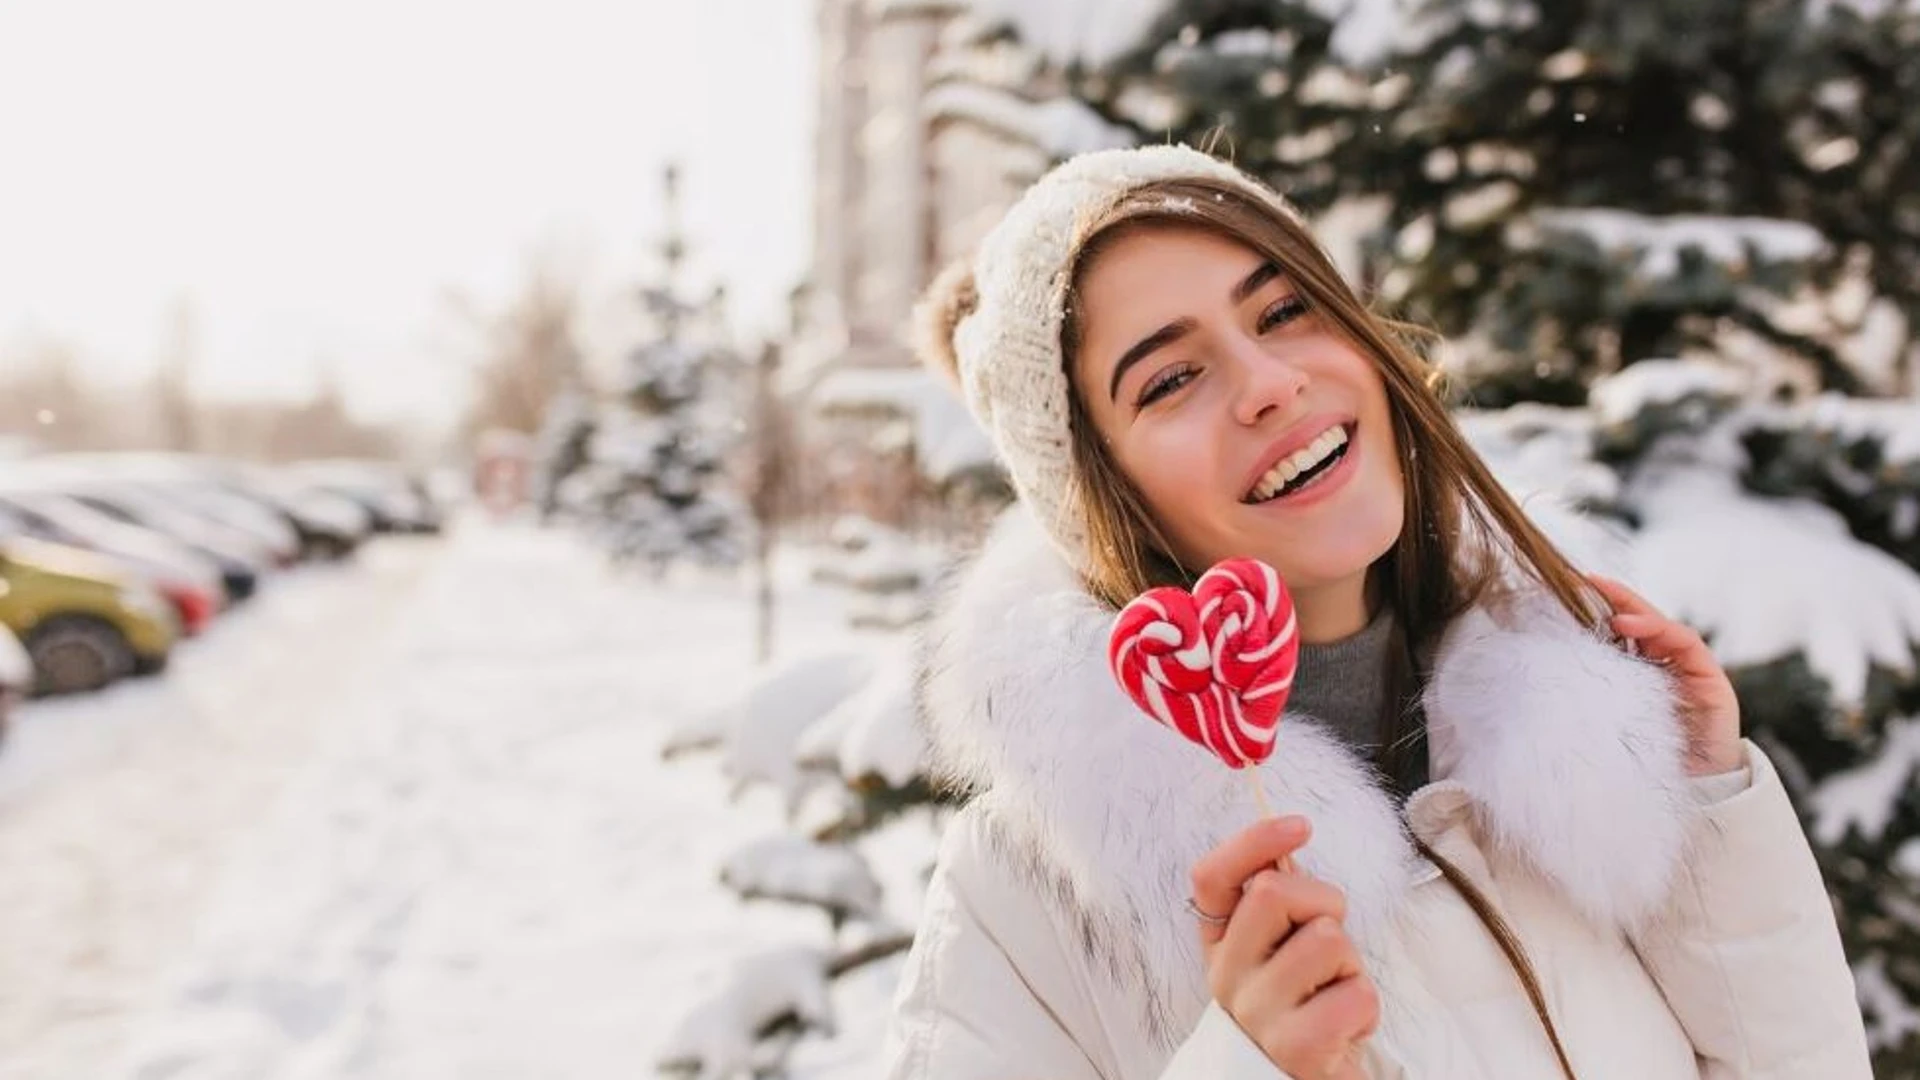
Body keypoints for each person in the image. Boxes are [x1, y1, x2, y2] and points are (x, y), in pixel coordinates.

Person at [884, 145, 1870, 1080]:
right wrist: (1251, 1066)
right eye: (1171, 378)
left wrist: (1705, 809)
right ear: (1098, 495)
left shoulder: (1576, 763)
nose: (1271, 384)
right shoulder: (1030, 894)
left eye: (1284, 311)